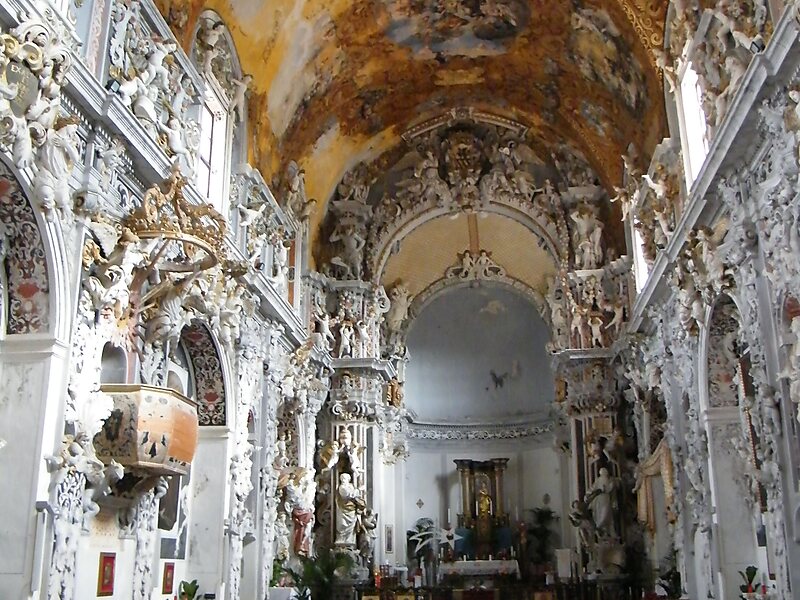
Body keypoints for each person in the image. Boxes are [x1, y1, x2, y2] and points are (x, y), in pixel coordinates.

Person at [335, 472, 364, 545]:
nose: (343, 480)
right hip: (343, 509)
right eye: (342, 479)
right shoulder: (341, 487)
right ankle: (341, 539)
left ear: (348, 479)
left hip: (351, 509)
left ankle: (349, 539)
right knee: (342, 524)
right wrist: (359, 489)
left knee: (352, 525)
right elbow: (348, 495)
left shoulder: (351, 486)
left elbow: (356, 496)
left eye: (345, 478)